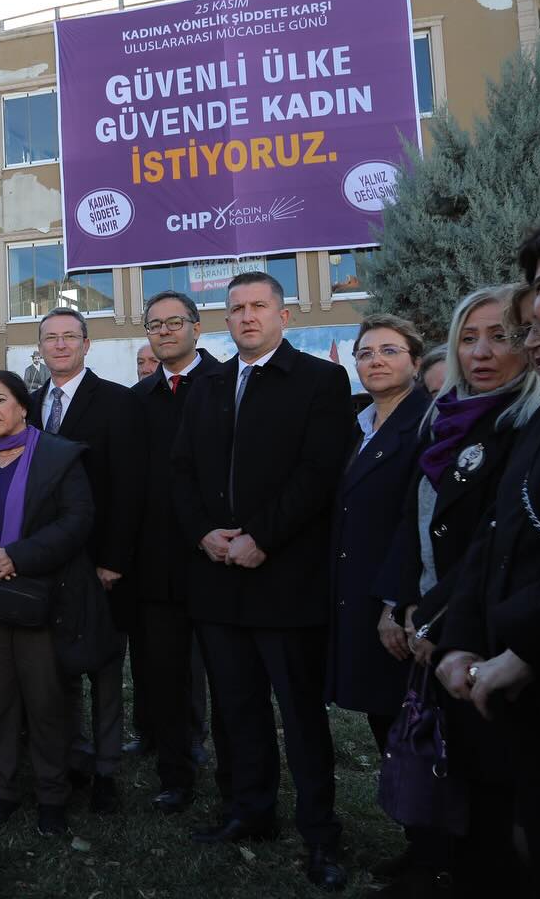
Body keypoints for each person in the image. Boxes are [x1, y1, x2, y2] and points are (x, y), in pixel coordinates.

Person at [172, 271, 353, 890]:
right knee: (237, 709)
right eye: (236, 308)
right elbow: (182, 472)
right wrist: (204, 533)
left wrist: (261, 538)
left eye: (258, 307)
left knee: (300, 717)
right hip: (218, 579)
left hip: (284, 581)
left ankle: (321, 835)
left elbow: (318, 471)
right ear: (226, 319)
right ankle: (251, 812)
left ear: (283, 315)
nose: (247, 317)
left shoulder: (320, 381)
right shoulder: (209, 385)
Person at [377, 284, 540, 893]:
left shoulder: (526, 430)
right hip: (426, 622)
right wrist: (396, 604)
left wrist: (438, 625)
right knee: (437, 755)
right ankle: (436, 856)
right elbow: (411, 518)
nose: (480, 352)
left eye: (500, 336)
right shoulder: (441, 419)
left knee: (492, 783)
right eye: (468, 338)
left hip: (487, 639)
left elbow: (489, 550)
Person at [437, 224, 540, 893]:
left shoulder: (523, 417)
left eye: (508, 333)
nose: (538, 331)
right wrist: (452, 635)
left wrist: (528, 646)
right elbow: (492, 536)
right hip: (483, 660)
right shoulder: (532, 423)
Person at [0, 370, 94, 836]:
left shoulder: (60, 457)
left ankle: (52, 796)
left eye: (0, 400)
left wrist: (15, 557)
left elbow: (78, 520)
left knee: (46, 703)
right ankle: (1, 790)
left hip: (40, 602)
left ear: (23, 406)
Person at [323, 315, 433, 885]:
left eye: (390, 351)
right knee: (386, 726)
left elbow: (418, 524)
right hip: (356, 600)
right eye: (365, 353)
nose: (375, 361)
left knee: (411, 729)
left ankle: (434, 851)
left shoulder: (428, 424)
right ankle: (419, 842)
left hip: (398, 608)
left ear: (415, 360)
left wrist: (397, 602)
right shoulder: (360, 423)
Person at [30, 307, 144, 814]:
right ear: (40, 347)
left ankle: (106, 769)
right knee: (57, 669)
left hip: (99, 563)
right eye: (50, 338)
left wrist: (114, 559)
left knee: (103, 669)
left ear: (86, 343)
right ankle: (72, 758)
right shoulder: (29, 405)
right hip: (45, 567)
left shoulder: (117, 403)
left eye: (68, 337)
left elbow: (128, 489)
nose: (59, 346)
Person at [130, 291, 225, 815]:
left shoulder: (227, 383)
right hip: (159, 562)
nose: (164, 331)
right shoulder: (139, 399)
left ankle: (235, 777)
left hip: (218, 558)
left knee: (228, 677)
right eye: (154, 324)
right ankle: (176, 773)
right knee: (163, 674)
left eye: (174, 322)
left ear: (196, 326)